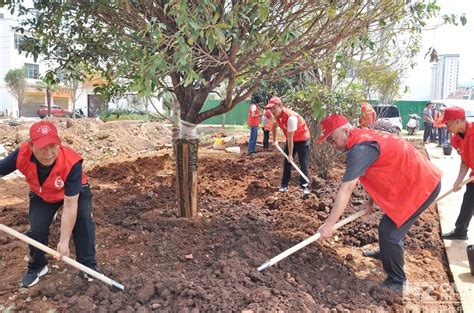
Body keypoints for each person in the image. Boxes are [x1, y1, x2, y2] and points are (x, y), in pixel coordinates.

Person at [316, 114, 442, 292]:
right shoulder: (363, 137)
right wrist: (370, 202)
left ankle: (397, 282)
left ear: (345, 131)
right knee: (388, 227)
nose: (333, 145)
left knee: (389, 231)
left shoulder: (361, 147)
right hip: (411, 182)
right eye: (329, 141)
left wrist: (329, 224)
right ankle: (387, 254)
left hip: (422, 185)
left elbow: (347, 188)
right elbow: (384, 168)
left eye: (333, 139)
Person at [0, 121, 97, 287]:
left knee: (83, 219)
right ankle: (37, 266)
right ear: (31, 145)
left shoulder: (71, 163)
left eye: (53, 146)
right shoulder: (22, 154)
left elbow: (70, 205)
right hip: (43, 194)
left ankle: (87, 265)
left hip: (73, 193)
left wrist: (64, 241)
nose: (49, 153)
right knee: (36, 228)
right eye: (42, 147)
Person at [440, 106, 474, 240]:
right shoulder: (456, 140)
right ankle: (460, 231)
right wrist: (459, 180)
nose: (446, 127)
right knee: (468, 202)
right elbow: (465, 161)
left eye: (447, 123)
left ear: (457, 121)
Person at [265, 96, 311, 195]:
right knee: (287, 163)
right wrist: (274, 139)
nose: (272, 111)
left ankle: (304, 186)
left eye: (274, 108)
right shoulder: (276, 116)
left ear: (280, 106)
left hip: (302, 139)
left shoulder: (291, 118)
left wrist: (290, 155)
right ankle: (284, 185)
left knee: (303, 163)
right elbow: (274, 126)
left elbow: (290, 138)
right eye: (271, 109)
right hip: (291, 139)